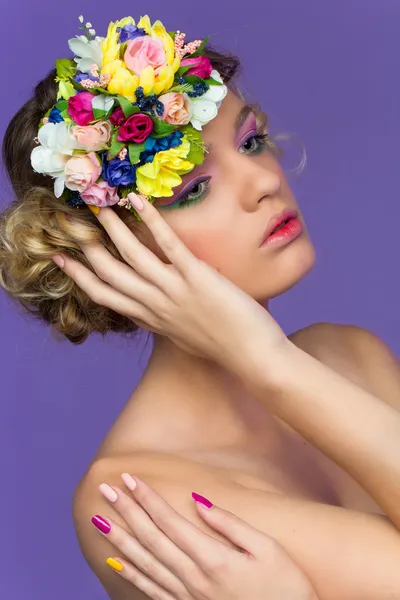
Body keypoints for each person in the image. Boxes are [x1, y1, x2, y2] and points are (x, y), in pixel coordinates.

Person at [1, 12, 400, 600]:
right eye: (192, 188)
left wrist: (270, 362)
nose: (263, 180)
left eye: (252, 141)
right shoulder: (131, 495)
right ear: (108, 253)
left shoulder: (348, 355)